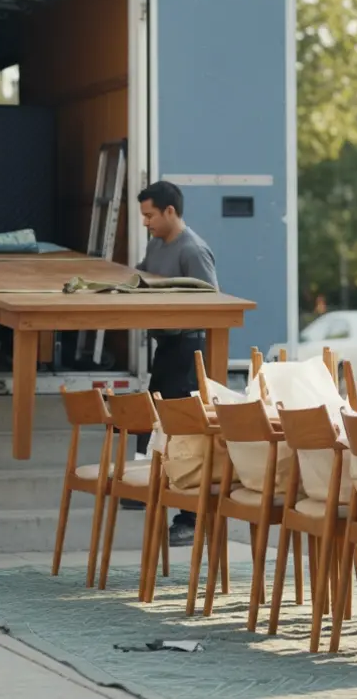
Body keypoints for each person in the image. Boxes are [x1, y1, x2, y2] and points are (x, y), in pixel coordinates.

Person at [131, 180, 219, 548]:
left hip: (189, 347)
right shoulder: (155, 245)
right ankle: (141, 484)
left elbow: (213, 302)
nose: (146, 223)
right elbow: (140, 279)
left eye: (150, 216)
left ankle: (190, 518)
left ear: (170, 212)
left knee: (185, 432)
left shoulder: (193, 251)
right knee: (151, 420)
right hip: (165, 346)